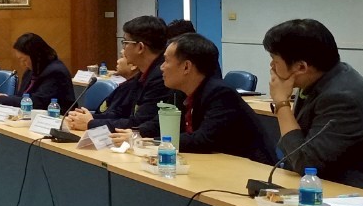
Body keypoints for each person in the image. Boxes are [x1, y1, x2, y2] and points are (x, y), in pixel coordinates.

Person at [113, 34, 270, 163]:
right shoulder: (180, 92)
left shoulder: (220, 93)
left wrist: (149, 142)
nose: (161, 67)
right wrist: (137, 134)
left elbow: (202, 139)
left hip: (251, 168)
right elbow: (159, 122)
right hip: (215, 163)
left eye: (166, 61)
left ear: (186, 67)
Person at [265, 19, 363, 187]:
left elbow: (306, 163)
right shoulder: (321, 79)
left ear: (301, 67)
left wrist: (281, 104)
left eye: (275, 60)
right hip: (317, 184)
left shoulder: (342, 98)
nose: (271, 66)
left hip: (345, 191)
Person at [66, 16, 172, 135]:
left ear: (140, 47)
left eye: (125, 43)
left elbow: (138, 123)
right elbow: (121, 113)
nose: (123, 49)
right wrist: (87, 118)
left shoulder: (160, 77)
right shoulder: (142, 75)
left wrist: (91, 123)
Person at [0, 33, 74, 109]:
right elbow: (22, 97)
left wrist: (3, 99)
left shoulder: (56, 72)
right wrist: (8, 98)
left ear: (36, 56)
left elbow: (37, 102)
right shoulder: (31, 71)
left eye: (24, 60)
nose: (22, 64)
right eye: (20, 60)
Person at [64, 55, 141, 130]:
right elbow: (108, 113)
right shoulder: (125, 85)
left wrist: (90, 120)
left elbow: (118, 116)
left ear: (133, 65)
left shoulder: (134, 89)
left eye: (122, 57)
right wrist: (84, 116)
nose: (117, 61)